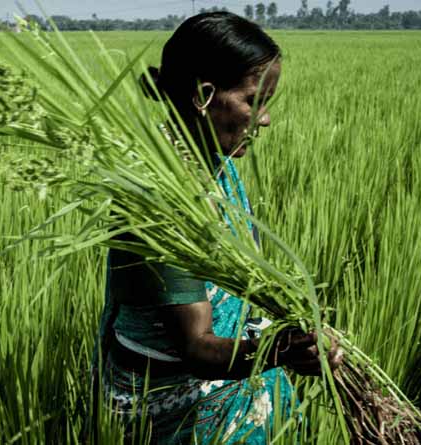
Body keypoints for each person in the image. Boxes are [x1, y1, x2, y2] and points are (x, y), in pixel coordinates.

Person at [92, 12, 342, 445]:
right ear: (204, 96)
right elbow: (197, 347)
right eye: (253, 100)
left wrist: (296, 335)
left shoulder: (211, 162)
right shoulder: (164, 196)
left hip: (230, 375)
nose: (264, 119)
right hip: (175, 407)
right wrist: (283, 349)